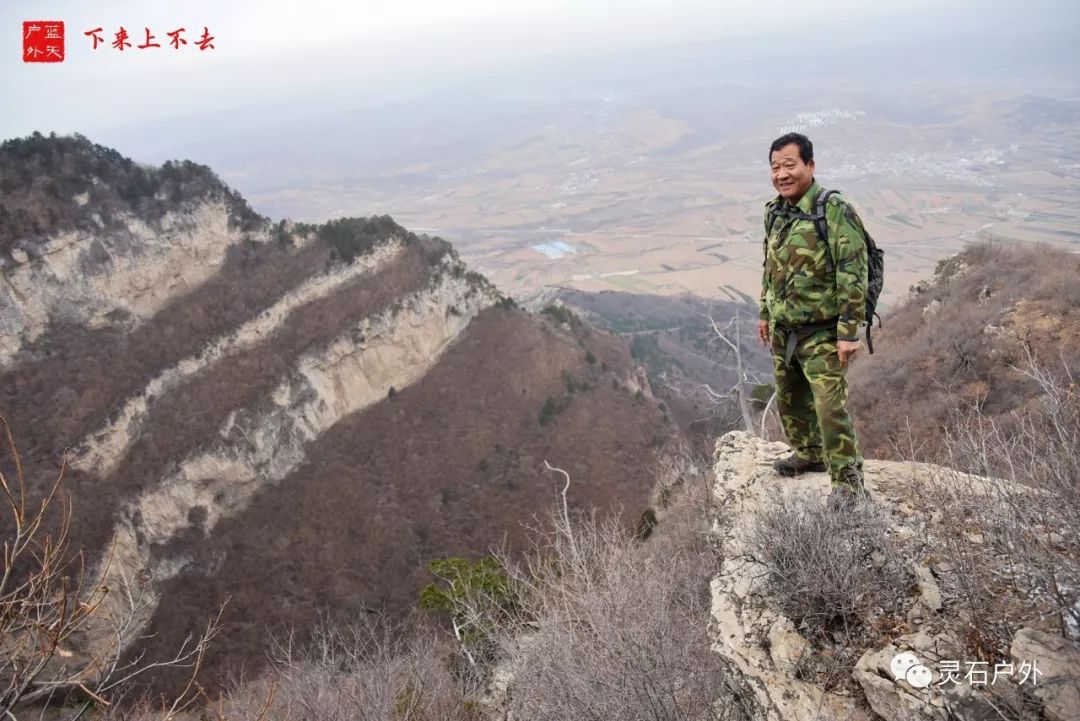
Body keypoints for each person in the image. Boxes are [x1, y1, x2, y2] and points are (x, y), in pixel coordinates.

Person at [756, 132, 870, 510]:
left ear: (810, 165)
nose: (782, 174)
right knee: (790, 399)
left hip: (822, 330)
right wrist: (764, 312)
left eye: (790, 165)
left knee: (828, 406)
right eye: (775, 167)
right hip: (784, 328)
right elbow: (769, 268)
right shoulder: (775, 212)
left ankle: (849, 484)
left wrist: (849, 331)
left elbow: (853, 270)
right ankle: (809, 453)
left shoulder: (832, 209)